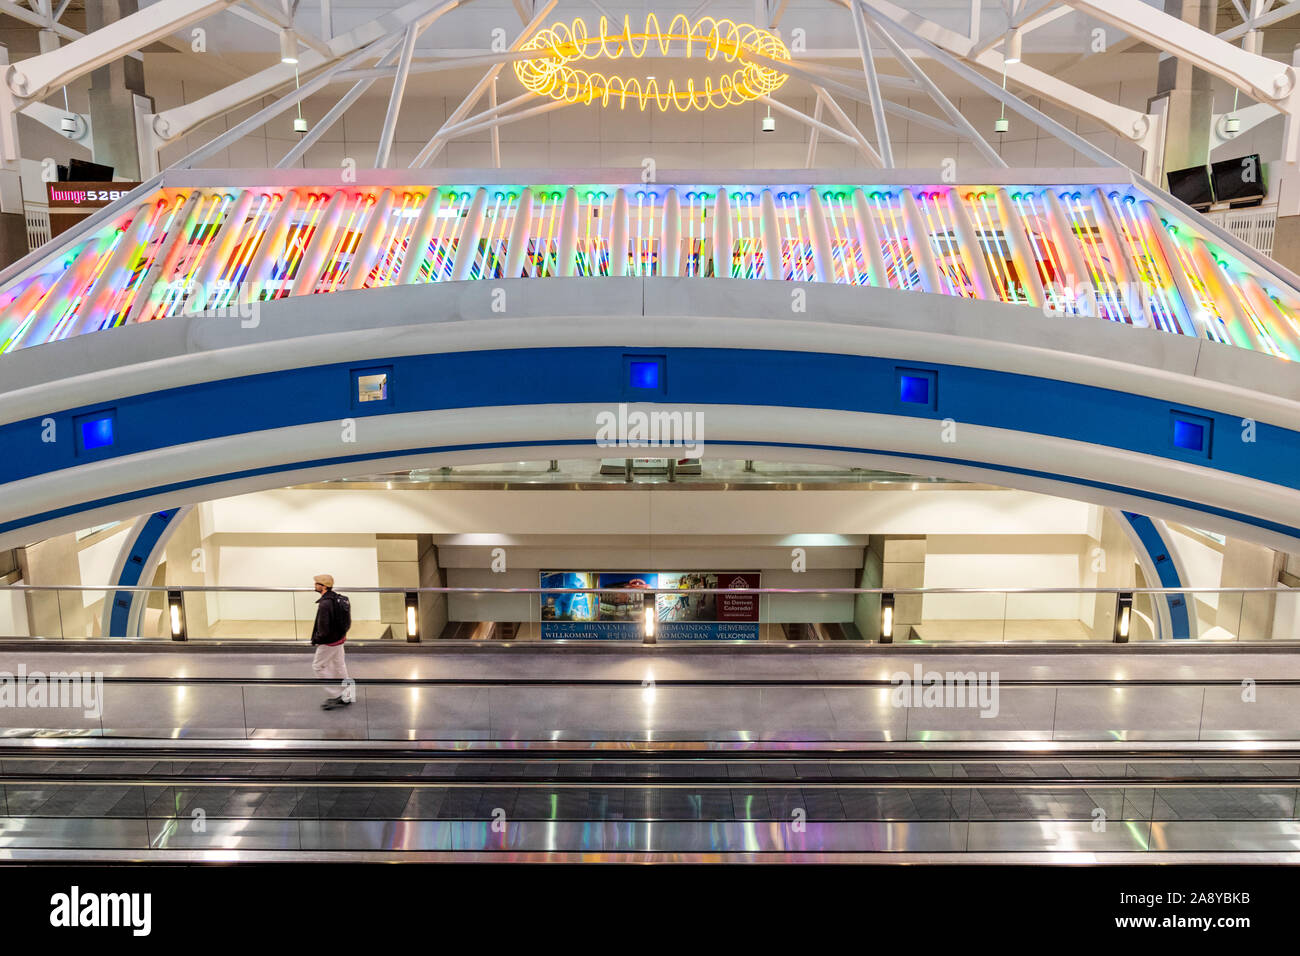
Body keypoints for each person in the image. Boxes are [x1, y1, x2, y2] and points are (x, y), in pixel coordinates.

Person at [311, 574, 352, 710]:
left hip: (329, 642)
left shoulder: (324, 604)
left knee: (318, 666)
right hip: (339, 639)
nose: (315, 585)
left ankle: (338, 694)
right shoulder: (337, 598)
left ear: (324, 586)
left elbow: (323, 628)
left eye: (317, 583)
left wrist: (317, 639)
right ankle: (348, 693)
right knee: (339, 665)